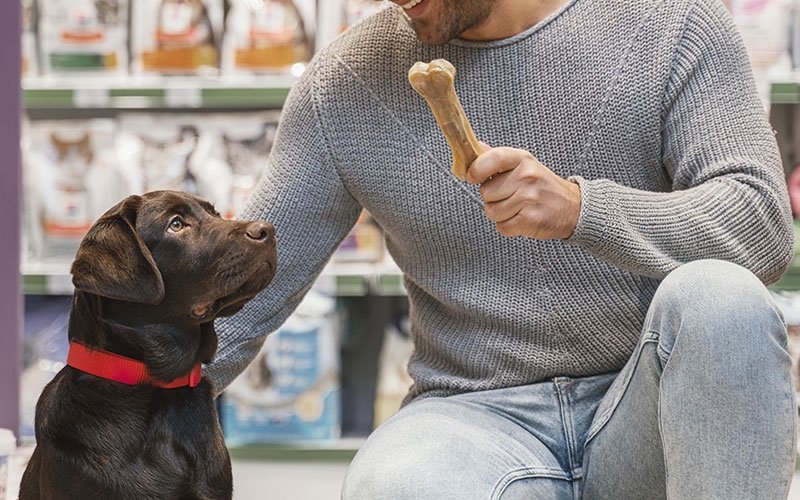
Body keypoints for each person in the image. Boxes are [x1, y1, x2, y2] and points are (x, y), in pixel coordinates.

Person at [206, 0, 798, 498]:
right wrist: (117, 399)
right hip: (471, 418)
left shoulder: (673, 20)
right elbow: (233, 299)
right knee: (394, 486)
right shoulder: (344, 85)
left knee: (723, 302)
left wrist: (582, 211)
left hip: (650, 399)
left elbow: (763, 228)